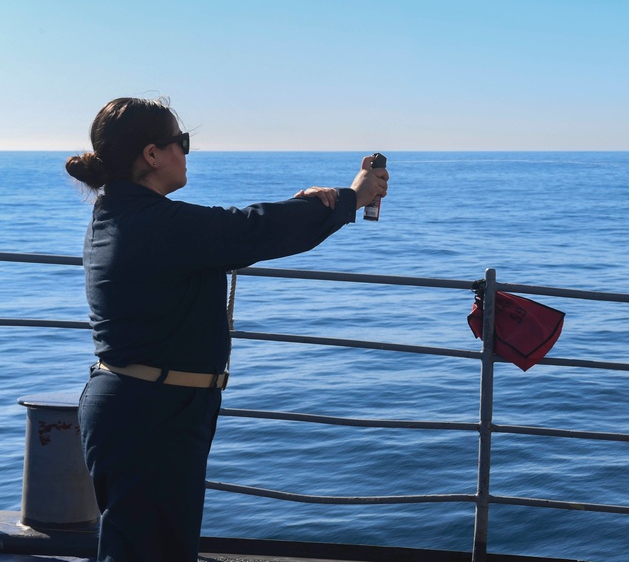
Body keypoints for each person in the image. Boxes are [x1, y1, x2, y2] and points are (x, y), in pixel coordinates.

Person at [64, 97, 388, 562]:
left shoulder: (123, 214)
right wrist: (352, 196)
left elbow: (235, 232)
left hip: (144, 407)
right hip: (152, 416)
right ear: (153, 154)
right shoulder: (154, 224)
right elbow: (249, 230)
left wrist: (311, 205)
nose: (186, 152)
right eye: (183, 142)